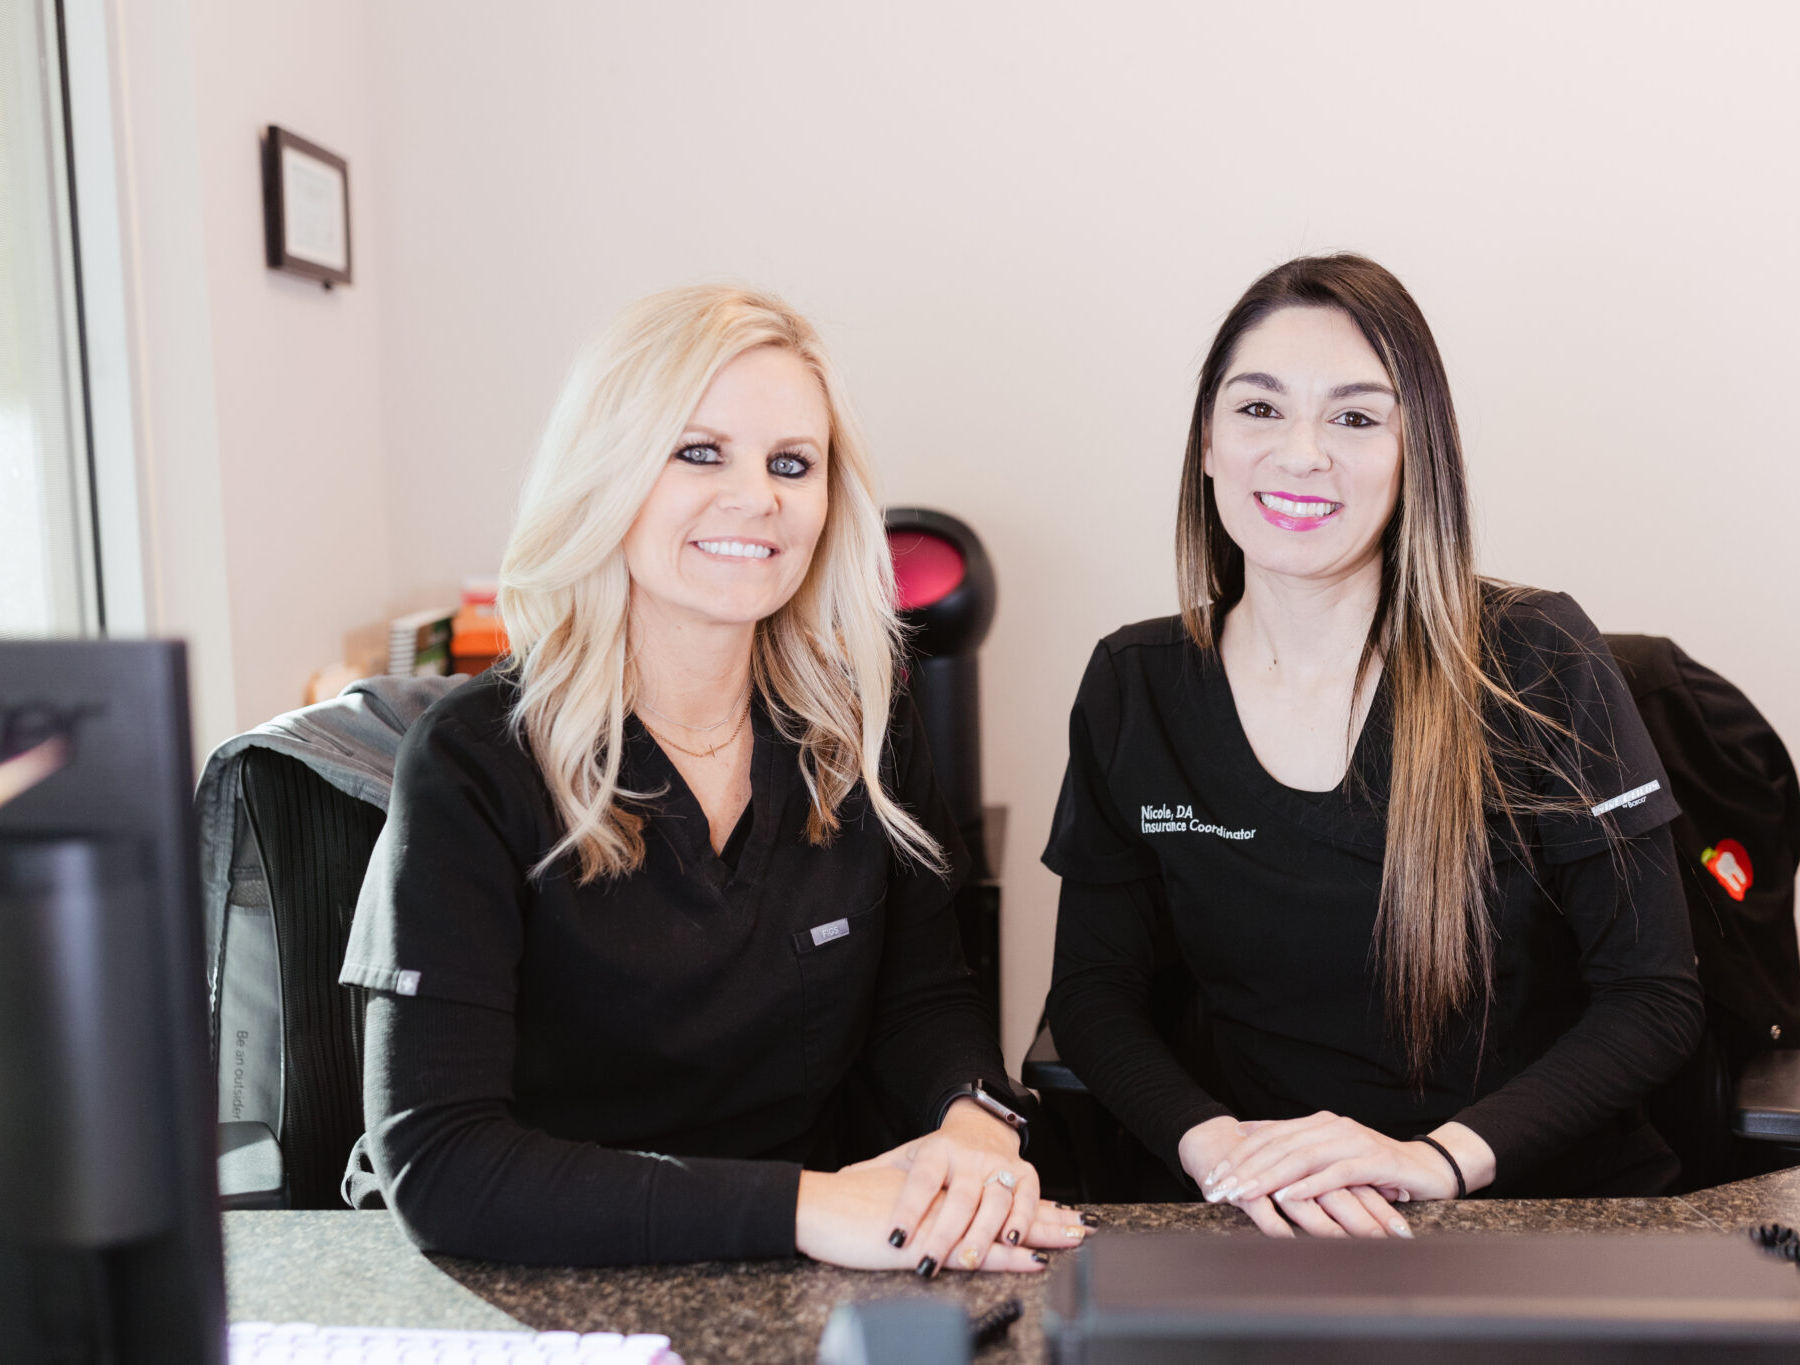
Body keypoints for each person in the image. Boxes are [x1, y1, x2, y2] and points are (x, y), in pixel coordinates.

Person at [342, 285, 1087, 1272]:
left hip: (799, 1260)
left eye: (792, 464)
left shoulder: (860, 725)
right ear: (607, 474)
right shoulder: (475, 762)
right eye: (699, 452)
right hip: (536, 1269)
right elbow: (443, 1166)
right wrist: (806, 1208)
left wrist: (974, 1123)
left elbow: (922, 999)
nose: (758, 498)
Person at [1043, 254, 1707, 1237]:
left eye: (1354, 418)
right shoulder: (1134, 685)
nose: (1300, 453)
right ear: (1207, 446)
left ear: (1414, 454)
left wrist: (1430, 1163)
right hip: (1269, 1219)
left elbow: (1650, 997)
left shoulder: (1532, 658)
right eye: (1258, 410)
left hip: (1531, 1218)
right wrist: (1220, 1152)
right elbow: (1093, 995)